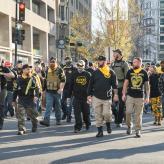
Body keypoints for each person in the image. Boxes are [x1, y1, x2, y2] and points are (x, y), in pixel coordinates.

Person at [88, 56, 118, 137]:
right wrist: (89, 95)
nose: (99, 62)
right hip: (96, 97)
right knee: (98, 115)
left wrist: (115, 94)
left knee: (107, 114)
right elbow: (90, 85)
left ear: (105, 61)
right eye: (98, 61)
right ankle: (100, 131)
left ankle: (108, 125)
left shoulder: (111, 72)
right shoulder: (95, 72)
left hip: (107, 97)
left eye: (101, 61)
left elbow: (114, 85)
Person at [122, 57, 150, 138]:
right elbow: (125, 83)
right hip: (130, 95)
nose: (133, 63)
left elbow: (147, 86)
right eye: (133, 62)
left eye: (135, 62)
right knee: (128, 112)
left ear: (139, 63)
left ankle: (138, 130)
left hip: (140, 96)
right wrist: (124, 94)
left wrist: (147, 96)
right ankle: (129, 126)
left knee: (138, 114)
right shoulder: (129, 71)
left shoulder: (144, 72)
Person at [12, 64, 39, 135]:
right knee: (21, 116)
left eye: (29, 69)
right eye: (27, 69)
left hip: (30, 100)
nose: (29, 70)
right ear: (23, 70)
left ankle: (35, 125)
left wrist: (36, 95)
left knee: (33, 116)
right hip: (21, 99)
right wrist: (13, 100)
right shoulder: (18, 80)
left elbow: (37, 88)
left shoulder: (32, 78)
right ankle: (21, 129)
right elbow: (15, 91)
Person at [40, 57, 66, 126]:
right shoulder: (47, 70)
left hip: (57, 92)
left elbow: (63, 80)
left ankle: (58, 120)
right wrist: (43, 90)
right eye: (51, 62)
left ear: (56, 62)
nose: (52, 63)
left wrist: (61, 89)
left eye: (53, 61)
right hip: (49, 91)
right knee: (48, 106)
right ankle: (46, 121)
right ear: (49, 62)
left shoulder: (60, 70)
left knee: (57, 106)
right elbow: (45, 80)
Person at [68, 60, 91, 132]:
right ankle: (78, 127)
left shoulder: (88, 74)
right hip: (76, 96)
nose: (80, 67)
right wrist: (69, 96)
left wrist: (90, 96)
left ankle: (87, 124)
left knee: (86, 112)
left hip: (85, 97)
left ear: (84, 66)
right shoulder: (74, 74)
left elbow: (91, 86)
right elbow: (70, 85)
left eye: (81, 66)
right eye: (78, 66)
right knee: (77, 113)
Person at [111, 49, 129, 127]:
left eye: (115, 54)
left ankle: (119, 121)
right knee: (111, 105)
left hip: (121, 87)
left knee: (121, 105)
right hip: (113, 87)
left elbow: (127, 77)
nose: (113, 55)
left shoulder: (124, 64)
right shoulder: (112, 64)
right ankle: (117, 116)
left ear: (119, 54)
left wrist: (125, 89)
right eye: (113, 54)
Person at [0, 58, 15, 129]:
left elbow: (12, 75)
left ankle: (1, 124)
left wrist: (2, 73)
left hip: (3, 89)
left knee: (1, 106)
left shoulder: (4, 68)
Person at [61, 56, 76, 122]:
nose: (67, 61)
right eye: (66, 60)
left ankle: (69, 117)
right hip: (65, 88)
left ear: (71, 60)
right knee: (62, 102)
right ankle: (65, 113)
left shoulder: (74, 69)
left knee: (69, 104)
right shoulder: (63, 68)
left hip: (72, 89)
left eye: (68, 60)